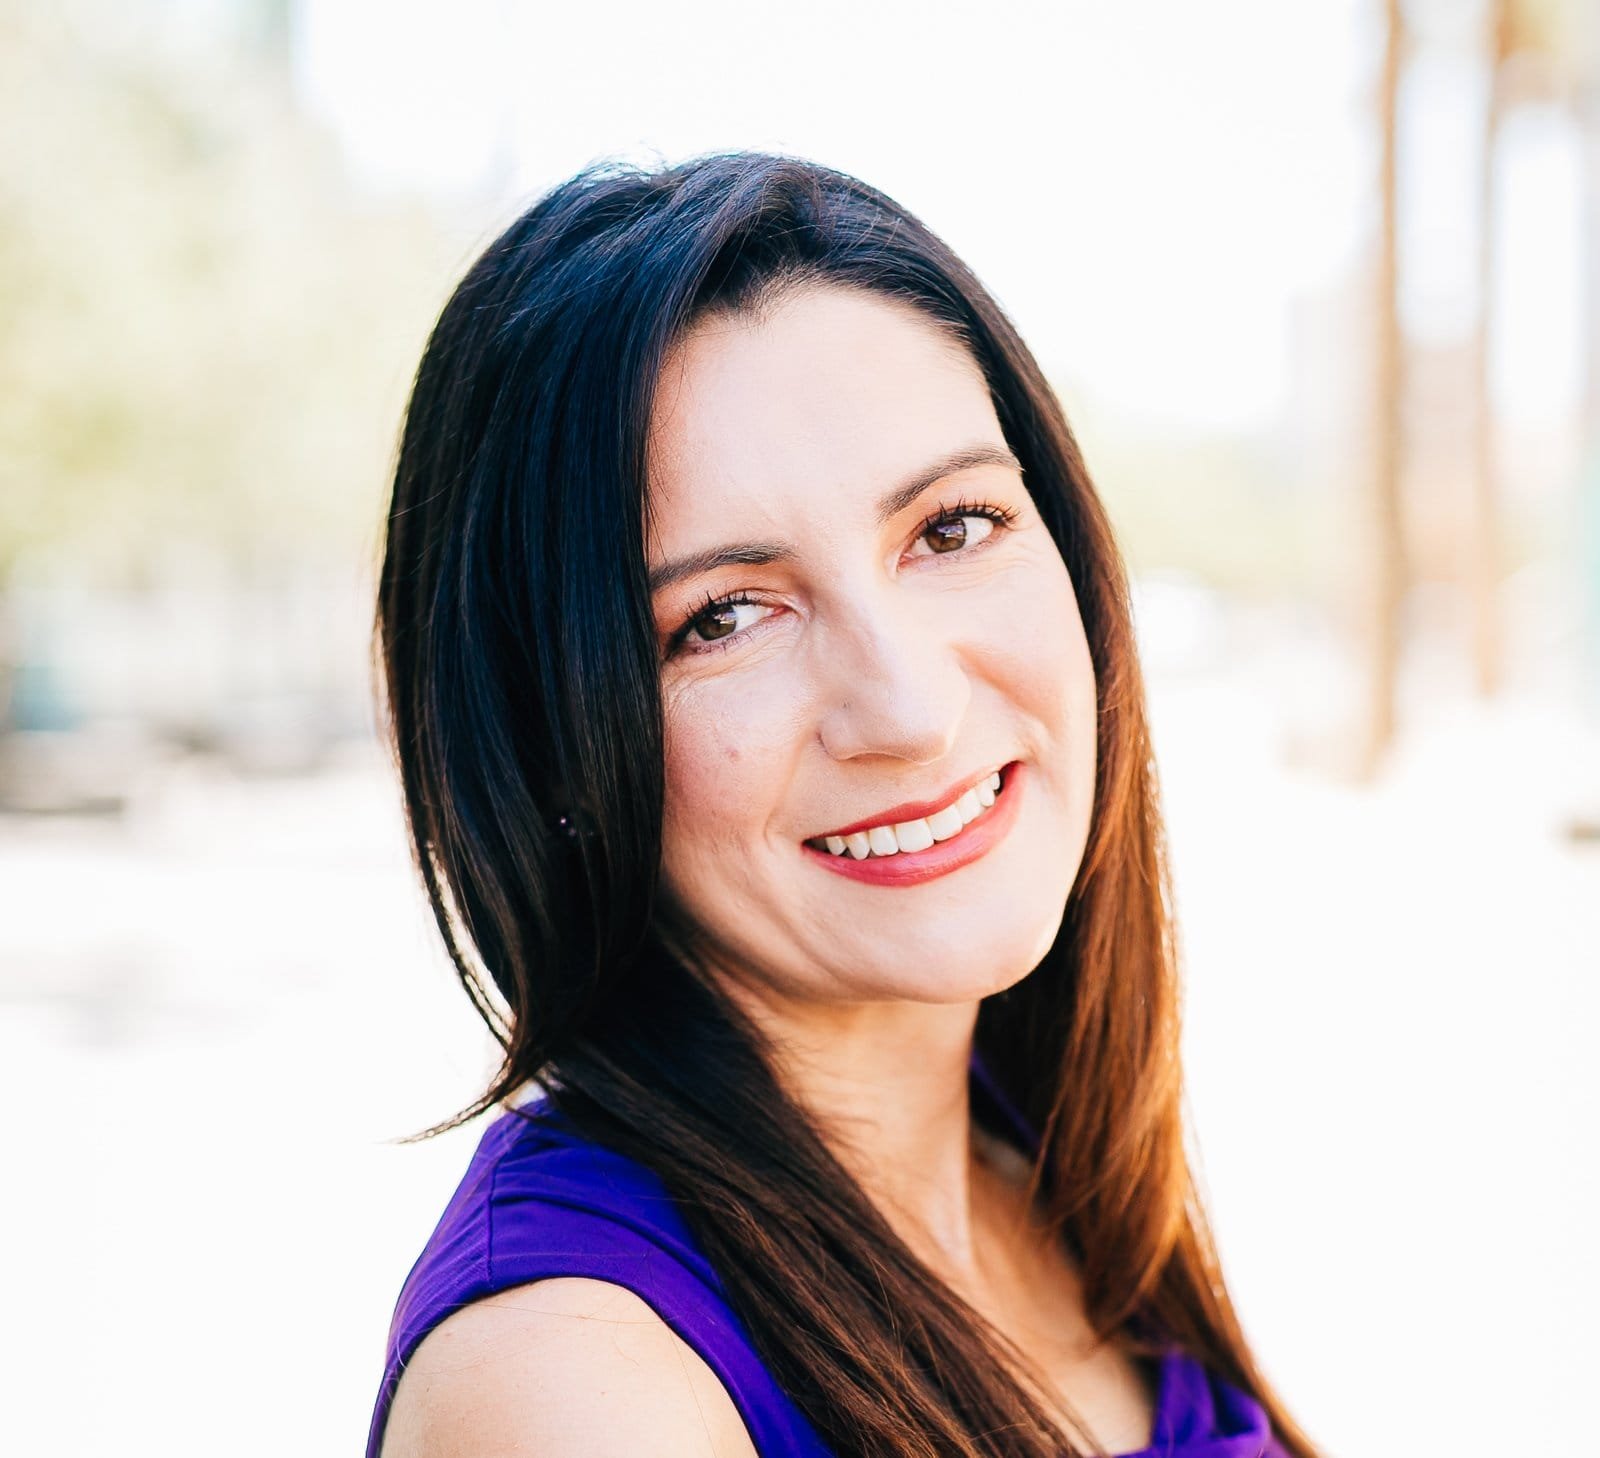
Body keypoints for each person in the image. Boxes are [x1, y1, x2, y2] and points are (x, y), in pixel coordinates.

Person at [364, 151, 1317, 1458]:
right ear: (548, 741)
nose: (909, 708)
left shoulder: (1031, 1146)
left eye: (951, 527)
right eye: (726, 614)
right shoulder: (579, 1386)